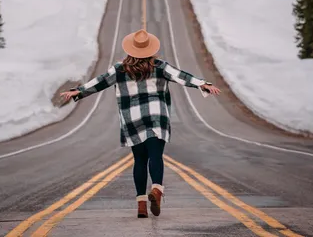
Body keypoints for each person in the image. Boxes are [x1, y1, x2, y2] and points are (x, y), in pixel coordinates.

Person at [60, 29, 221, 218]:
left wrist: (78, 91)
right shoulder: (160, 66)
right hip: (156, 117)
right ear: (151, 49)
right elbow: (181, 76)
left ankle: (141, 206)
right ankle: (157, 190)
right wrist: (202, 84)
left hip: (132, 119)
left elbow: (100, 82)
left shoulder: (120, 69)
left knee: (140, 161)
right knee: (156, 156)